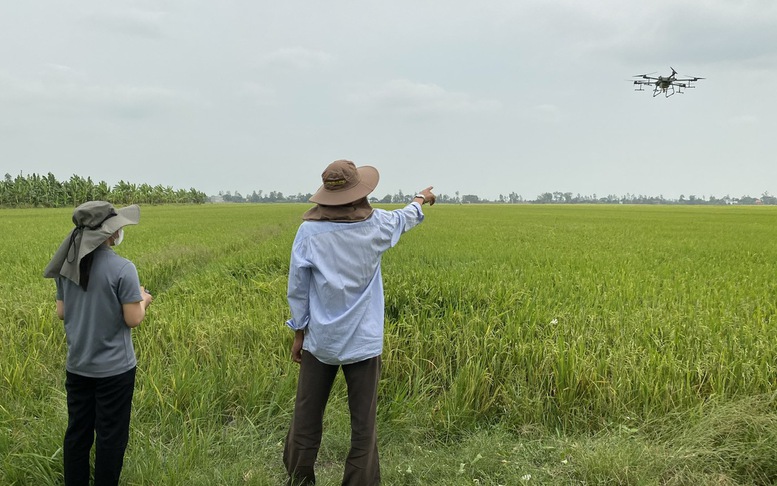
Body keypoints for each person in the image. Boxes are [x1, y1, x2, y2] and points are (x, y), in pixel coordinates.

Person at [283, 159, 435, 486]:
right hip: (363, 343)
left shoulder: (309, 231)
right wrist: (421, 198)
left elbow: (298, 288)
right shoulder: (376, 225)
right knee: (363, 426)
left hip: (320, 341)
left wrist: (299, 332)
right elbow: (406, 217)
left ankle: (299, 480)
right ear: (359, 193)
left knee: (306, 417)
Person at [43, 201, 153, 486]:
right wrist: (143, 300)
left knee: (77, 433)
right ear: (108, 233)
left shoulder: (67, 264)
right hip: (115, 371)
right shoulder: (123, 268)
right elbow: (133, 319)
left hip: (78, 366)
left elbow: (61, 312)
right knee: (111, 436)